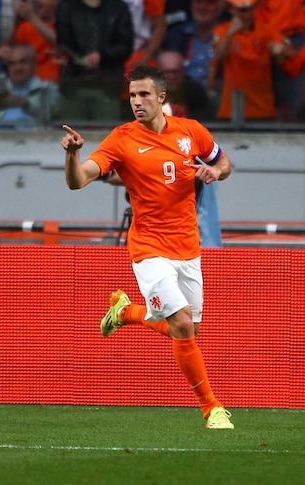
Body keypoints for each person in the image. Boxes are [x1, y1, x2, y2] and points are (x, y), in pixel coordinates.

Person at [61, 64, 235, 430]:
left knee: (186, 329)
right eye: (131, 95)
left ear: (161, 97)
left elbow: (225, 163)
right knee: (183, 325)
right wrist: (73, 154)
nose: (136, 102)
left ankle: (125, 313)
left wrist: (215, 172)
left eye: (143, 95)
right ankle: (211, 408)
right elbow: (78, 182)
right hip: (148, 248)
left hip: (187, 247)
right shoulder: (121, 139)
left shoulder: (192, 133)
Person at [55, 0, 134, 121]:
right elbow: (63, 42)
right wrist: (79, 58)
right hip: (73, 84)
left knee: (107, 136)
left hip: (108, 86)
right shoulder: (66, 7)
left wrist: (102, 56)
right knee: (71, 135)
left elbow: (125, 46)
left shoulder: (119, 8)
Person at [213, 0, 286, 121]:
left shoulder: (267, 30)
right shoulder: (222, 30)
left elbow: (283, 61)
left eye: (250, 9)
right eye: (242, 10)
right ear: (231, 10)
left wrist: (279, 52)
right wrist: (229, 35)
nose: (247, 15)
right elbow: (218, 58)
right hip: (231, 108)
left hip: (262, 107)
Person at [0, 43, 59, 130]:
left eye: (23, 62)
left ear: (34, 64)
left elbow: (49, 110)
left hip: (32, 141)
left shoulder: (46, 88)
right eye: (12, 64)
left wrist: (24, 102)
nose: (17, 67)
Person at [157, 50, 214, 121]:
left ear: (183, 72)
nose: (172, 77)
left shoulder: (195, 93)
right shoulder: (149, 95)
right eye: (167, 73)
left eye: (176, 72)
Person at [12, 0, 59, 83]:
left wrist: (32, 18)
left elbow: (61, 40)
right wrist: (17, 18)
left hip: (63, 86)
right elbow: (12, 56)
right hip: (31, 87)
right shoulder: (25, 27)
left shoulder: (69, 24)